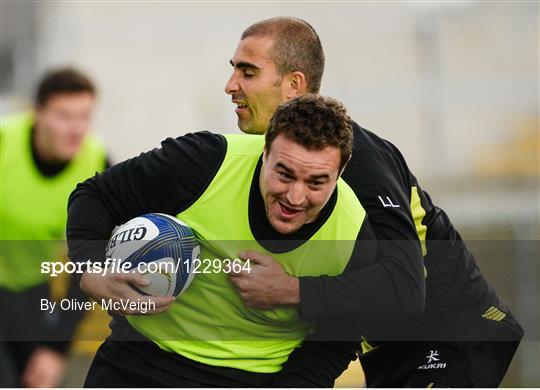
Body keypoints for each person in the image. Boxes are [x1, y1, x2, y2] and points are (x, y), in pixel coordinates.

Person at [223, 17, 524, 387]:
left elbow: (403, 283)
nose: (230, 86)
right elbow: (343, 305)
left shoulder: (356, 157)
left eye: (248, 72)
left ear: (293, 85)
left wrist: (289, 291)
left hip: (451, 336)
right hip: (390, 351)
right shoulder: (271, 168)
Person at [66, 94, 379, 387]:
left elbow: (337, 340)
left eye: (316, 182)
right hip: (138, 361)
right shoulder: (203, 162)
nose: (295, 197)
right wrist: (91, 269)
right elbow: (95, 196)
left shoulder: (354, 234)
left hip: (254, 381)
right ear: (264, 150)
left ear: (342, 170)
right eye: (284, 174)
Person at [0, 67, 108, 387]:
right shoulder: (5, 142)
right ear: (38, 114)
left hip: (30, 291)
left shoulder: (98, 165)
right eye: (64, 116)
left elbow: (89, 266)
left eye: (84, 116)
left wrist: (55, 348)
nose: (76, 129)